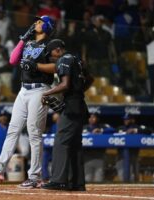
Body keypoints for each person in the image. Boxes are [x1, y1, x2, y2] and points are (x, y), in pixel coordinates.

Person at [0, 16, 56, 188]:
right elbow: (13, 60)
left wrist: (36, 66)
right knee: (12, 129)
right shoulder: (28, 43)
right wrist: (24, 38)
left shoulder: (51, 44)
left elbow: (57, 66)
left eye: (40, 21)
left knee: (33, 133)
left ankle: (35, 176)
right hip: (24, 90)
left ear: (48, 26)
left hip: (40, 89)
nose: (36, 23)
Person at [36, 39, 93, 191]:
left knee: (61, 142)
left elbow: (64, 84)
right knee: (75, 145)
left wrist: (46, 92)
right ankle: (77, 183)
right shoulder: (77, 59)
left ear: (57, 50)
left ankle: (58, 181)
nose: (51, 58)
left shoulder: (63, 59)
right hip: (80, 105)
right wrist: (78, 90)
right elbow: (90, 79)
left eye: (51, 54)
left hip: (72, 107)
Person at [83, 114, 115, 183]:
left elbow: (112, 130)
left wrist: (101, 131)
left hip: (100, 157)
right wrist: (90, 133)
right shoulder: (84, 127)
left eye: (93, 117)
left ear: (97, 119)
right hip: (87, 158)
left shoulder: (101, 126)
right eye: (90, 117)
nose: (91, 119)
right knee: (87, 180)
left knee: (99, 180)